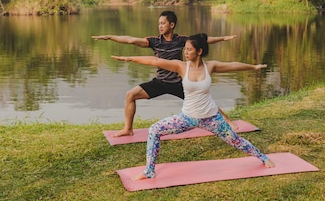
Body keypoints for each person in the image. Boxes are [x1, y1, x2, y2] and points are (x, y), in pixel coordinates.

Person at [112, 33, 275, 180]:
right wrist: (131, 59)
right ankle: (149, 171)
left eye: (189, 49)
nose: (185, 52)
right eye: (185, 49)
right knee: (154, 130)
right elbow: (155, 61)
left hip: (212, 118)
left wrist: (253, 67)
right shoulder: (181, 66)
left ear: (200, 51)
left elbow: (233, 65)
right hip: (187, 118)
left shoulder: (210, 66)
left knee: (235, 140)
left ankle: (263, 157)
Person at [92, 10, 236, 137]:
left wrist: (223, 38)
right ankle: (128, 129)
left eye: (163, 23)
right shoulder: (155, 41)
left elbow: (203, 41)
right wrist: (110, 37)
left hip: (179, 83)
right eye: (159, 23)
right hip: (160, 82)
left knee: (205, 100)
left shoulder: (181, 41)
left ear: (171, 25)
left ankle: (228, 121)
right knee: (131, 95)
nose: (160, 26)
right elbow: (131, 40)